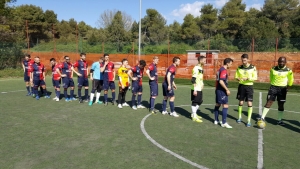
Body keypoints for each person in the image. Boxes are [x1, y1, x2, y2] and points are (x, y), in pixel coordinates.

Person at [258, 56, 294, 126]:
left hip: (282, 89)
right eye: (280, 61)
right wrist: (273, 85)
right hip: (273, 88)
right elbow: (271, 77)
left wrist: (288, 87)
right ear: (278, 62)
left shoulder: (288, 70)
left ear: (285, 62)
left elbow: (291, 79)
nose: (281, 63)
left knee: (281, 104)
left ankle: (279, 120)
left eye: (283, 62)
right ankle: (262, 118)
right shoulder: (273, 69)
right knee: (269, 102)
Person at [235, 54, 257, 127]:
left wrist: (248, 79)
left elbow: (255, 77)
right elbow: (236, 76)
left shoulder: (253, 68)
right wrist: (238, 78)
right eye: (242, 60)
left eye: (244, 60)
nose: (243, 62)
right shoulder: (239, 68)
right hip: (241, 86)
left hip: (249, 86)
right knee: (241, 102)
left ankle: (248, 120)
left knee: (249, 103)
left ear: (248, 59)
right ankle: (239, 117)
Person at [214, 58, 234, 129]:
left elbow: (217, 79)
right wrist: (227, 90)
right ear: (227, 63)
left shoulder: (219, 69)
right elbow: (221, 81)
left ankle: (216, 120)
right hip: (222, 91)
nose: (231, 65)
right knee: (225, 105)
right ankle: (224, 123)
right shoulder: (224, 70)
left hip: (218, 90)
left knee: (218, 104)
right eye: (231, 64)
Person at [190, 56, 206, 123]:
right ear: (201, 60)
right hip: (196, 88)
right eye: (204, 60)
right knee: (195, 102)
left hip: (199, 88)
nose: (205, 61)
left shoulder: (201, 68)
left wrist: (202, 83)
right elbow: (193, 79)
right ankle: (194, 116)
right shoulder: (196, 68)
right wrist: (195, 89)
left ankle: (194, 114)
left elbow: (200, 78)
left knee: (200, 101)